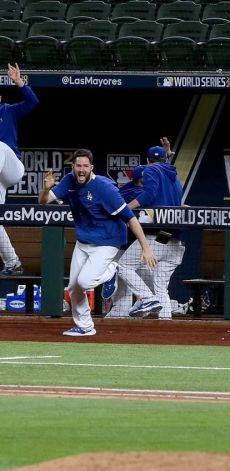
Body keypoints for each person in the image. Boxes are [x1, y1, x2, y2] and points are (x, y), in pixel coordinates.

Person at [39, 149, 157, 336]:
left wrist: (146, 247)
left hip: (108, 241)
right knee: (74, 288)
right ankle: (85, 326)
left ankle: (112, 270)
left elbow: (130, 218)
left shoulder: (104, 187)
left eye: (85, 166)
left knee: (84, 281)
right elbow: (43, 202)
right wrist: (46, 188)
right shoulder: (69, 181)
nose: (81, 169)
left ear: (91, 167)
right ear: (73, 167)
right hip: (84, 241)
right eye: (78, 165)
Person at [103, 140, 184, 320]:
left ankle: (147, 299)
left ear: (147, 161)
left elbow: (149, 194)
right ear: (165, 159)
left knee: (123, 266)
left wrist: (127, 209)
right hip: (176, 243)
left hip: (158, 238)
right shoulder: (174, 177)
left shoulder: (151, 170)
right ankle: (166, 324)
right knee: (160, 287)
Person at [0, 63, 39, 276]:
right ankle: (12, 262)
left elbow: (33, 102)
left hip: (11, 166)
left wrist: (19, 82)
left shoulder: (8, 111)